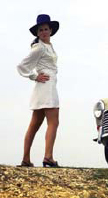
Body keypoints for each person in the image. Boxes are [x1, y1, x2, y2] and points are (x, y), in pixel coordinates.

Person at [17, 14, 61, 167]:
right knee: (53, 122)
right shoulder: (39, 47)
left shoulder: (47, 46)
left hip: (46, 87)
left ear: (50, 30)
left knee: (35, 124)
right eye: (40, 30)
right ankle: (48, 157)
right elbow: (21, 66)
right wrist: (34, 76)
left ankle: (26, 159)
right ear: (37, 33)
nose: (43, 32)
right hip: (46, 86)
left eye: (46, 29)